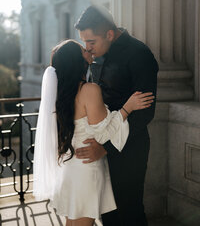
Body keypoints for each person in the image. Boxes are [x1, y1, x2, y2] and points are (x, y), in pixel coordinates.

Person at [33, 39, 155, 226]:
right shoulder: (89, 90)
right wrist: (127, 108)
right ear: (76, 59)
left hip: (70, 167)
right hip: (86, 169)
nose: (88, 49)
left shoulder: (60, 92)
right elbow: (103, 133)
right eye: (83, 49)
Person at [74, 6, 159, 226]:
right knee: (107, 214)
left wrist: (105, 148)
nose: (87, 48)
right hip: (99, 147)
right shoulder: (97, 55)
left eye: (91, 42)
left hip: (130, 148)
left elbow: (145, 113)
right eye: (84, 42)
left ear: (109, 34)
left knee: (129, 211)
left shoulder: (139, 54)